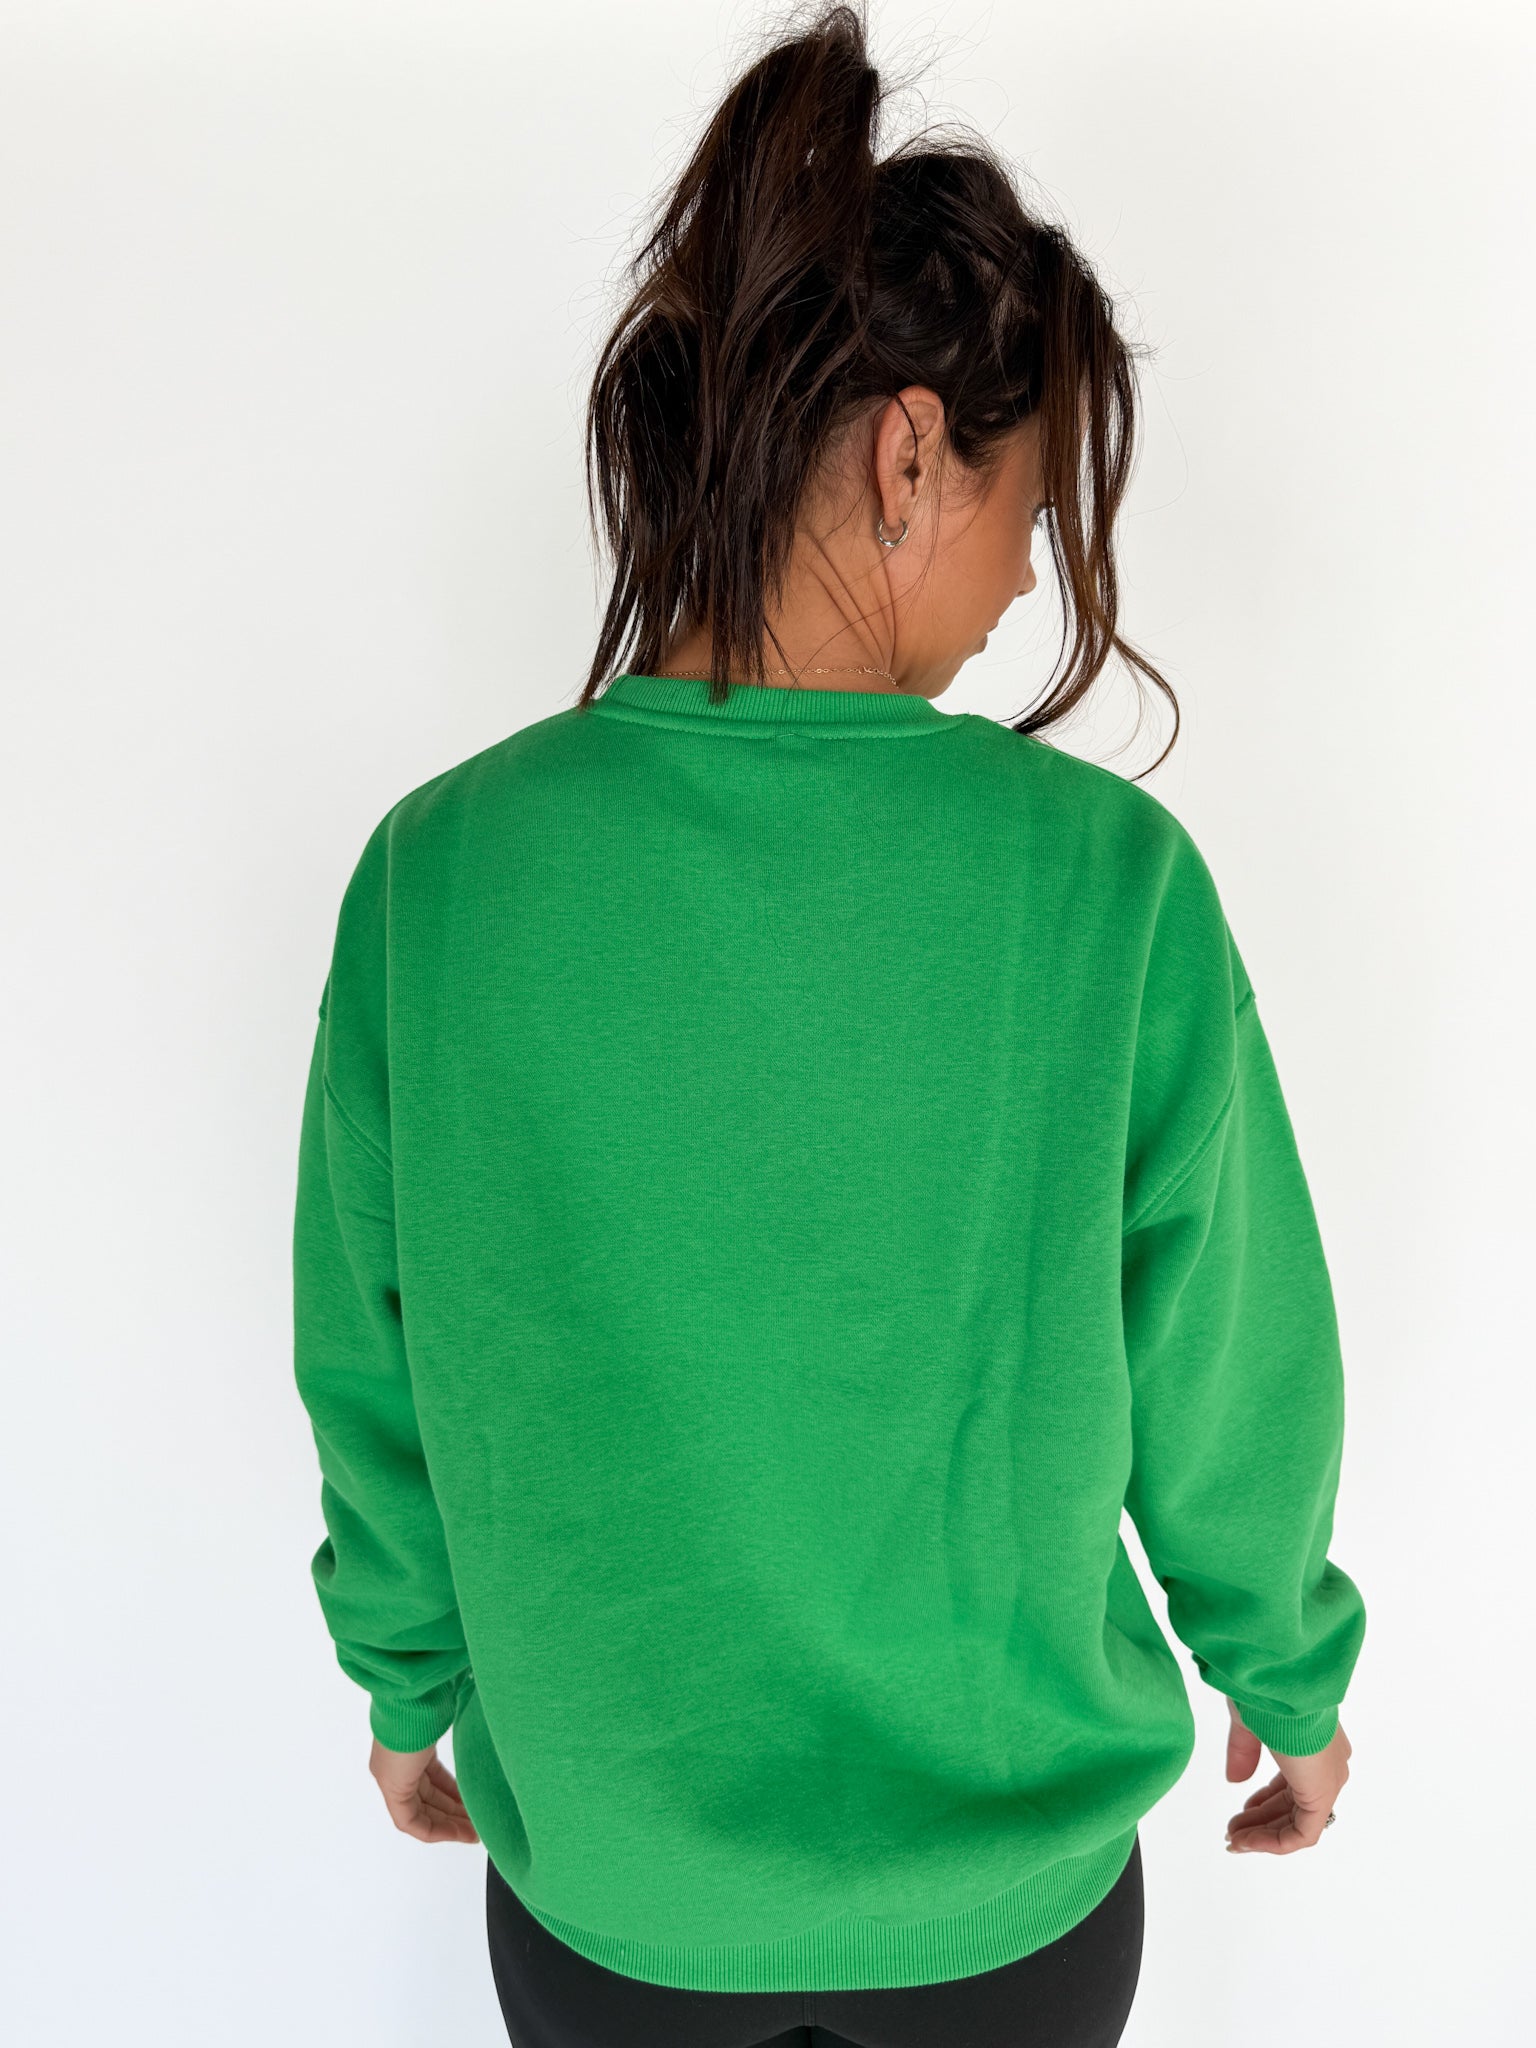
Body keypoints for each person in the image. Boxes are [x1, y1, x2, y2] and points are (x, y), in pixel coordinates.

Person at [291, 6, 1365, 2044]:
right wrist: (1288, 1684)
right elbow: (1227, 1368)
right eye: (1027, 510)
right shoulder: (1110, 885)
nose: (1022, 586)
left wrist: (408, 1681)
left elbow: (377, 1357)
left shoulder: (439, 876)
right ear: (908, 454)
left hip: (612, 1903)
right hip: (1007, 1920)